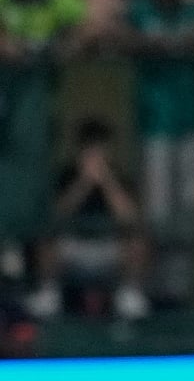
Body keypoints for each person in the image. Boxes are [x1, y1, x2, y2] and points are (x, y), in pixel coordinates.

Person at [118, 0, 194, 307]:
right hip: (155, 121)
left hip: (192, 118)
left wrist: (177, 43)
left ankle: (178, 287)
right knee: (157, 210)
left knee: (187, 209)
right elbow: (125, 39)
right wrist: (158, 44)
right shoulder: (140, 11)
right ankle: (152, 284)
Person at [0, 0, 87, 258]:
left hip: (34, 111)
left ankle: (25, 264)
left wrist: (70, 43)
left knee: (32, 185)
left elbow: (95, 21)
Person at [26, 118, 149, 321]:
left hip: (109, 247)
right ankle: (48, 294)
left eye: (101, 151)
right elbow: (57, 215)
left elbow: (130, 218)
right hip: (73, 246)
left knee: (138, 241)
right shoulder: (65, 176)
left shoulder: (121, 178)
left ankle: (130, 295)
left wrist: (107, 181)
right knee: (45, 237)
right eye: (90, 151)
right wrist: (83, 183)